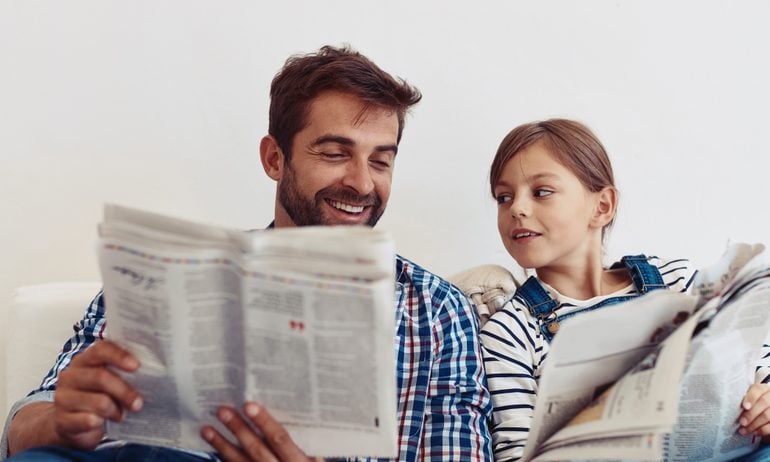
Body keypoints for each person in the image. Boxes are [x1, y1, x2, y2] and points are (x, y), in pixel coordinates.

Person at [1, 45, 493, 461]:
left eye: (381, 161)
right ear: (275, 158)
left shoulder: (437, 312)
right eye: (335, 153)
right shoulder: (171, 273)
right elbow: (22, 427)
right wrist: (58, 421)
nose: (362, 183)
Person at [478, 118, 770, 461]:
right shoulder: (509, 333)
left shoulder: (675, 279)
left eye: (541, 192)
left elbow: (753, 358)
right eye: (503, 197)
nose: (517, 208)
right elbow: (515, 452)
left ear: (602, 206)